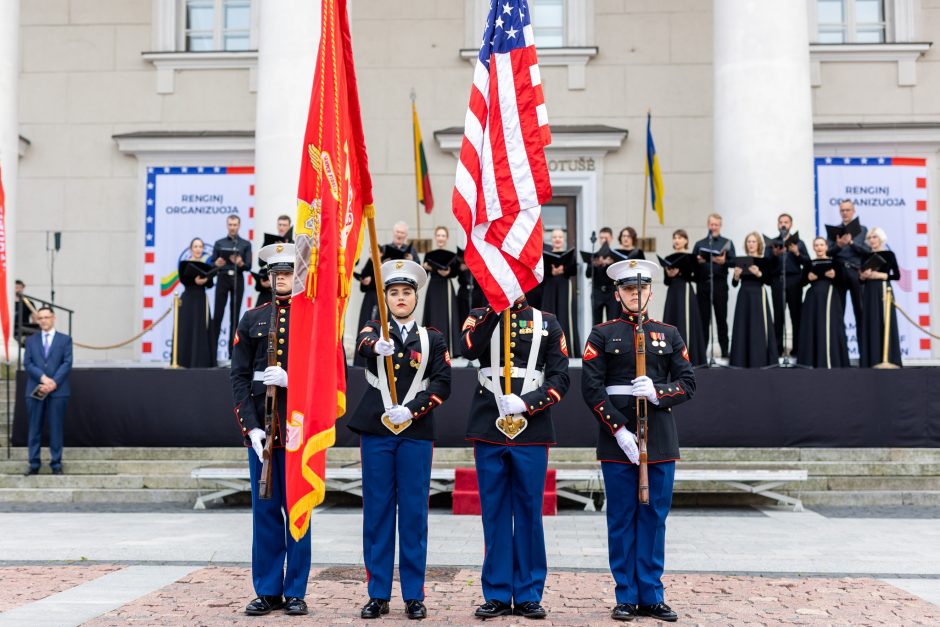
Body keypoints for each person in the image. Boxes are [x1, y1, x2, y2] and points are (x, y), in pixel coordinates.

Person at [580, 258, 695, 623]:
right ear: (617, 294)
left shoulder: (669, 333)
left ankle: (652, 594)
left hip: (659, 437)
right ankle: (626, 596)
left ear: (650, 292)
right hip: (618, 439)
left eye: (641, 288)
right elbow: (592, 388)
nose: (635, 294)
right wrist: (618, 429)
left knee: (654, 518)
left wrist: (659, 391)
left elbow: (688, 383)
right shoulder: (602, 334)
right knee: (621, 519)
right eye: (629, 289)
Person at [349, 260, 452, 620]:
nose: (400, 298)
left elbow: (442, 383)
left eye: (406, 292)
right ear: (386, 298)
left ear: (415, 296)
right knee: (377, 513)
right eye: (393, 292)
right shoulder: (373, 331)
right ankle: (377, 593)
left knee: (412, 515)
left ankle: (413, 594)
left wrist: (413, 410)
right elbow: (361, 344)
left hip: (416, 431)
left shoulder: (432, 338)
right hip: (377, 429)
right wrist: (376, 345)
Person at [460, 293, 570, 620]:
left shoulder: (547, 321)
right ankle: (495, 592)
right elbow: (468, 350)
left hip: (531, 425)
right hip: (488, 423)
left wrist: (529, 403)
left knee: (528, 513)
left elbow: (561, 377)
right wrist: (495, 311)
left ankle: (528, 593)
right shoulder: (479, 314)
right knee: (493, 513)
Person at [230, 243, 310, 617]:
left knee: (297, 509)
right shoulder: (251, 318)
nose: (282, 279)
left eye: (288, 273)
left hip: (296, 427)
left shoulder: (311, 317)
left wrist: (293, 380)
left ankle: (295, 590)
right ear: (268, 278)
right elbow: (239, 377)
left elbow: (327, 375)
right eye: (277, 274)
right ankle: (267, 590)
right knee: (264, 511)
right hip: (263, 429)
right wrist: (251, 429)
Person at [23, 306, 73, 476]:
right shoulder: (31, 340)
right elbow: (28, 364)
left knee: (56, 428)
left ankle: (56, 464)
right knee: (34, 428)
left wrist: (53, 383)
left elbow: (67, 363)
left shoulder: (65, 340)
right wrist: (44, 379)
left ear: (53, 318)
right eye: (40, 318)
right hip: (36, 388)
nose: (43, 320)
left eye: (46, 317)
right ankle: (34, 464)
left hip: (58, 392)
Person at [797, 237, 849, 368]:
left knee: (829, 326)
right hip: (813, 299)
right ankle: (812, 360)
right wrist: (808, 278)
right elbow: (801, 283)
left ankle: (830, 360)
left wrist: (835, 276)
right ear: (813, 248)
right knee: (813, 326)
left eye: (821, 245)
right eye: (816, 245)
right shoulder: (809, 263)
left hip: (829, 296)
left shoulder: (834, 262)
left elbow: (843, 282)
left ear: (826, 247)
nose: (819, 248)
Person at [729, 232, 779, 368]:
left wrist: (759, 273)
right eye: (748, 241)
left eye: (753, 241)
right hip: (744, 294)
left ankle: (760, 359)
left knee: (759, 326)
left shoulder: (764, 260)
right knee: (743, 325)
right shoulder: (741, 260)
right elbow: (734, 284)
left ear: (759, 244)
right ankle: (741, 360)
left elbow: (769, 281)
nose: (750, 244)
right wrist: (736, 276)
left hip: (758, 294)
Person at [827, 199, 870, 341]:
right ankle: (840, 355)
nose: (845, 213)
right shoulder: (834, 231)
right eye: (842, 210)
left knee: (861, 312)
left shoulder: (862, 229)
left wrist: (851, 243)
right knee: (838, 313)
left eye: (847, 210)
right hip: (839, 272)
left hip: (856, 272)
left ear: (853, 211)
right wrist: (839, 245)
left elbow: (866, 251)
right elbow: (829, 252)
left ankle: (865, 356)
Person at [765, 213, 808, 357]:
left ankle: (797, 349)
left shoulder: (799, 243)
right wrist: (774, 255)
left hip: (794, 281)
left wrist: (797, 253)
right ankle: (777, 349)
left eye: (786, 222)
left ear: (791, 225)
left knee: (796, 316)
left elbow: (807, 262)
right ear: (778, 225)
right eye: (781, 222)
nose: (783, 224)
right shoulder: (772, 243)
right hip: (778, 281)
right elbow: (766, 264)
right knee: (778, 317)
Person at [692, 213, 735, 358]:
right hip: (703, 285)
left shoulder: (727, 242)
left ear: (720, 226)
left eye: (716, 225)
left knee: (721, 319)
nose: (714, 227)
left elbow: (734, 262)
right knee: (703, 320)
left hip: (720, 285)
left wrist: (724, 262)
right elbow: (692, 266)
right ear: (708, 225)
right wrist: (698, 263)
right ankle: (702, 353)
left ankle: (724, 352)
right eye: (712, 224)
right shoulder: (700, 244)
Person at [662, 229, 707, 366]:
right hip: (673, 291)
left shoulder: (692, 257)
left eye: (680, 238)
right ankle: (671, 358)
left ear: (686, 240)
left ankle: (688, 356)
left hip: (685, 290)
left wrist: (682, 273)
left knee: (685, 320)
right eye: (674, 237)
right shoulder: (669, 257)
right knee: (672, 320)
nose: (676, 240)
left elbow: (697, 278)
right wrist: (670, 275)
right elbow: (666, 281)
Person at [858, 227, 902, 368]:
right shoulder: (865, 256)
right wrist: (863, 276)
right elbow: (860, 279)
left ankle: (888, 358)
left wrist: (881, 275)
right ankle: (871, 359)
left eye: (875, 237)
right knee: (871, 322)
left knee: (885, 321)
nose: (872, 240)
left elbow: (897, 275)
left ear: (881, 238)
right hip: (869, 291)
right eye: (870, 238)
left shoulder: (889, 254)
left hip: (883, 290)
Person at [210, 214, 253, 357]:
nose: (232, 227)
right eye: (230, 225)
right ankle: (212, 354)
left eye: (235, 225)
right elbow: (212, 264)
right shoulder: (219, 242)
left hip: (237, 279)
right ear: (227, 225)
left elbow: (248, 266)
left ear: (239, 226)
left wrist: (240, 263)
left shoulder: (245, 244)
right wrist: (217, 264)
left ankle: (232, 354)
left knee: (235, 317)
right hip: (222, 278)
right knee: (218, 316)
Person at [176, 237, 217, 368]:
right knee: (187, 328)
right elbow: (183, 279)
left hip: (201, 299)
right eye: (196, 246)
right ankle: (184, 360)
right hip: (188, 298)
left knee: (201, 329)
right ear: (191, 249)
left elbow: (210, 284)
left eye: (200, 247)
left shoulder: (207, 265)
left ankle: (201, 361)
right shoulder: (183, 263)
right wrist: (195, 281)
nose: (198, 249)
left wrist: (205, 281)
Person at [541, 228, 580, 357]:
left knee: (565, 316)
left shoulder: (570, 254)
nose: (557, 239)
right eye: (554, 237)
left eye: (560, 237)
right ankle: (546, 350)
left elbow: (574, 271)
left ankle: (569, 349)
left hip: (564, 286)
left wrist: (564, 269)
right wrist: (551, 272)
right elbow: (540, 273)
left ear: (563, 239)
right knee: (548, 315)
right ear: (551, 240)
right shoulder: (544, 254)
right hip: (550, 287)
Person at [422, 226, 461, 353]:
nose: (440, 238)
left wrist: (449, 272)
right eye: (438, 235)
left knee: (447, 316)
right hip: (433, 286)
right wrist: (425, 268)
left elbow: (455, 273)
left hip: (446, 287)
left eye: (443, 236)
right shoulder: (429, 255)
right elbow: (424, 276)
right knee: (433, 315)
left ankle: (449, 348)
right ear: (435, 237)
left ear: (447, 238)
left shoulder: (452, 255)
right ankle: (432, 348)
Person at [586, 227, 619, 325]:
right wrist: (595, 264)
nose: (604, 240)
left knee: (612, 320)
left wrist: (610, 264)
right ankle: (597, 340)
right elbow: (587, 274)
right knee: (596, 322)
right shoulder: (594, 256)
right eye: (601, 238)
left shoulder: (615, 256)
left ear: (611, 238)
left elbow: (617, 275)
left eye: (606, 238)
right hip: (597, 291)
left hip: (611, 291)